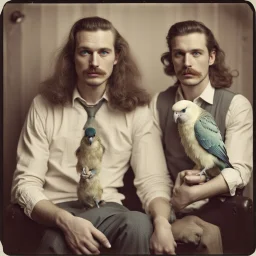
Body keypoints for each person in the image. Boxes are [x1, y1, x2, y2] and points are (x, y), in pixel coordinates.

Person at [10, 16, 211, 255]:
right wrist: (64, 221)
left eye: (103, 52)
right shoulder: (43, 106)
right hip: (54, 209)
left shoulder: (136, 111)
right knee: (56, 238)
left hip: (110, 211)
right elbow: (25, 183)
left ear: (116, 57)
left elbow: (152, 180)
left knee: (138, 224)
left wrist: (161, 223)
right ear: (72, 57)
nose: (94, 62)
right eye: (85, 52)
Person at [150, 20, 253, 253]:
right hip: (170, 206)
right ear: (171, 59)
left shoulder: (236, 105)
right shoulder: (158, 103)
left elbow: (239, 171)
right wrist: (167, 212)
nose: (187, 63)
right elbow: (155, 172)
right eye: (179, 54)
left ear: (211, 57)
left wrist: (193, 194)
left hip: (221, 206)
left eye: (196, 53)